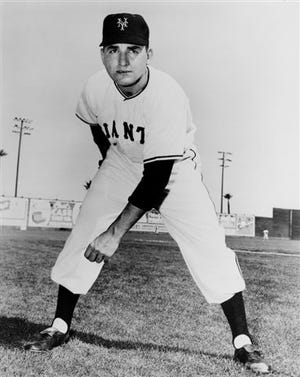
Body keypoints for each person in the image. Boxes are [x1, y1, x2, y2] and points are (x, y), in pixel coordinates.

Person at [24, 13, 270, 374]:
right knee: (84, 230)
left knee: (208, 247)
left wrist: (115, 233)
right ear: (102, 53)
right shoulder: (94, 87)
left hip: (175, 169)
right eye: (114, 49)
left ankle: (243, 342)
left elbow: (157, 180)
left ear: (148, 53)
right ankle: (59, 325)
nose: (123, 60)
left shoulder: (166, 95)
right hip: (122, 160)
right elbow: (96, 126)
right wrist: (107, 162)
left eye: (133, 50)